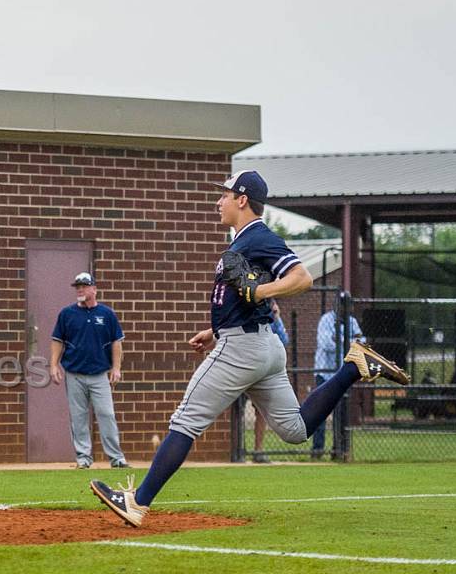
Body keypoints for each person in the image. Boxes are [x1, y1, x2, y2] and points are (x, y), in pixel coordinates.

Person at [90, 170, 409, 527]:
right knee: (295, 430)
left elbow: (300, 278)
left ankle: (137, 502)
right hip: (262, 345)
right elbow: (247, 300)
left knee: (185, 420)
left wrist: (260, 292)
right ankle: (354, 366)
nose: (219, 201)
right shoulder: (244, 243)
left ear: (242, 199)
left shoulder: (257, 237)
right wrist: (214, 329)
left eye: (224, 195)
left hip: (243, 347)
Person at [48, 271, 126, 469]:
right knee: (78, 417)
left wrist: (116, 368)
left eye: (84, 286)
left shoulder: (106, 314)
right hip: (74, 374)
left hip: (100, 374)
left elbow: (116, 342)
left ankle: (116, 459)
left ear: (94, 289)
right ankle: (83, 459)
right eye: (78, 287)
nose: (80, 289)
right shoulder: (67, 314)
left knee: (107, 414)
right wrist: (54, 364)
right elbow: (58, 340)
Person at [310, 305, 365, 459]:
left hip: (342, 376)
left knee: (341, 414)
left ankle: (338, 450)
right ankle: (317, 450)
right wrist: (348, 341)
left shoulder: (352, 322)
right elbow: (326, 344)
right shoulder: (326, 320)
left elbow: (362, 343)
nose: (347, 309)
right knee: (320, 412)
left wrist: (340, 340)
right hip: (324, 373)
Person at [251, 299, 290, 463]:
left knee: (261, 411)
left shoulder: (273, 320)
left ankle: (257, 451)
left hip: (263, 371)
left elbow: (284, 340)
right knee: (234, 407)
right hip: (246, 365)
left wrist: (277, 317)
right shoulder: (251, 316)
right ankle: (235, 450)